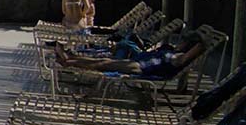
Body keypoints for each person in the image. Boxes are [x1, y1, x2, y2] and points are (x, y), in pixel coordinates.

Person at [53, 37, 206, 79]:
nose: (180, 43)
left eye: (184, 43)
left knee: (104, 65)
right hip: (139, 61)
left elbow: (186, 58)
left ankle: (69, 61)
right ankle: (70, 57)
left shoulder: (178, 57)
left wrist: (200, 46)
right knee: (104, 61)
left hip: (141, 68)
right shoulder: (170, 50)